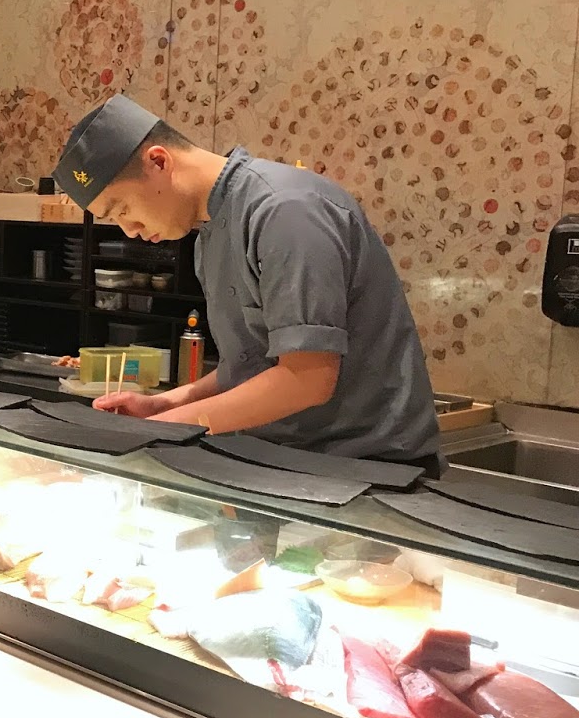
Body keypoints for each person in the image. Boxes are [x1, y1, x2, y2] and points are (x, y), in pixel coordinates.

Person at [53, 93, 441, 467]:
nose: (130, 230)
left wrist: (160, 429)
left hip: (366, 468)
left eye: (121, 208)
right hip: (286, 463)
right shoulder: (210, 235)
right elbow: (249, 366)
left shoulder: (285, 210)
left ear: (158, 161)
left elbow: (307, 378)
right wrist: (164, 404)